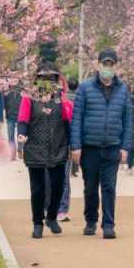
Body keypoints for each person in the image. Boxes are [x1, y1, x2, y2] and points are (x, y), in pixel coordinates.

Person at [70, 49, 132, 239]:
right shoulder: (85, 88)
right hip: (90, 147)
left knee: (109, 187)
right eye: (105, 64)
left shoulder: (123, 90)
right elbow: (77, 118)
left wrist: (125, 147)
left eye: (111, 64)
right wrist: (76, 146)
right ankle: (90, 221)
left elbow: (128, 120)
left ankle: (108, 224)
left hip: (112, 146)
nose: (107, 67)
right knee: (90, 187)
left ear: (115, 66)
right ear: (98, 65)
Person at [16, 63, 72, 239]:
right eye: (43, 78)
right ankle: (37, 222)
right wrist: (21, 138)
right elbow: (23, 120)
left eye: (51, 78)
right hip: (35, 148)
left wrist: (72, 144)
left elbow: (67, 120)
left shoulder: (60, 97)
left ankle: (52, 217)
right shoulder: (29, 97)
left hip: (58, 146)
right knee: (38, 189)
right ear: (37, 79)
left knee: (57, 186)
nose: (47, 81)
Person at [55, 75, 79, 222]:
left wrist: (74, 145)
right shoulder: (38, 102)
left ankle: (62, 209)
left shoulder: (68, 103)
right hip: (47, 145)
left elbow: (73, 125)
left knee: (64, 178)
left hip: (65, 144)